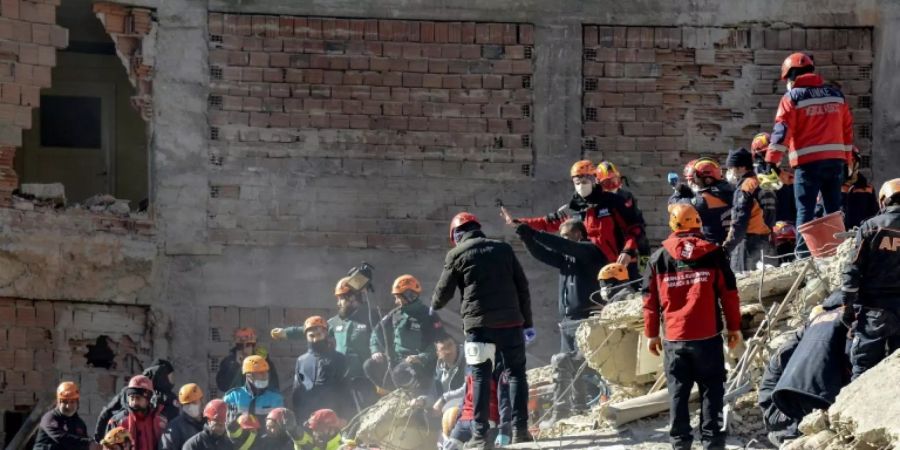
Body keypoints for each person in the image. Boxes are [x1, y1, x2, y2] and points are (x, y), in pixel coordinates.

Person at [643, 204, 742, 450]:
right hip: (707, 337)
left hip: (675, 339)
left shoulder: (658, 258)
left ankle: (680, 444)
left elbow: (649, 301)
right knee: (712, 390)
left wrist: (651, 334)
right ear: (697, 223)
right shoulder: (714, 253)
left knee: (677, 393)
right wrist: (734, 328)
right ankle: (712, 442)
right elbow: (730, 294)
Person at [432, 212, 533, 448]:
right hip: (510, 324)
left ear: (457, 235)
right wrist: (527, 323)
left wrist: (433, 305)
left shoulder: (457, 253)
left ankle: (479, 436)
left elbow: (442, 293)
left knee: (479, 376)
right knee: (516, 374)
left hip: (478, 328)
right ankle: (520, 430)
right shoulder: (504, 249)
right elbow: (523, 287)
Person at [512, 218, 605, 422]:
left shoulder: (589, 251)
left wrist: (535, 232)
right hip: (567, 322)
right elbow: (543, 254)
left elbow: (562, 245)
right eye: (561, 235)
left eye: (566, 235)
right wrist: (526, 238)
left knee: (586, 366)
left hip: (585, 320)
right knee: (567, 369)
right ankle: (578, 408)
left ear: (578, 235)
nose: (562, 239)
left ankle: (593, 407)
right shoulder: (566, 259)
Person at [764, 52, 854, 253]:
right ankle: (837, 254)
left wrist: (771, 160)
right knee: (833, 212)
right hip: (835, 163)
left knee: (805, 211)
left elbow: (782, 131)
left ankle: (803, 256)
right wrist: (847, 162)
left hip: (808, 165)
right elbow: (847, 132)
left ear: (793, 75)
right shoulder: (836, 96)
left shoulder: (792, 97)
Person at [503, 160, 645, 268]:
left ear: (594, 179)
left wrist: (628, 251)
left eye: (584, 181)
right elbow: (547, 223)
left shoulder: (614, 202)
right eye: (577, 182)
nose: (581, 185)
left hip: (618, 265)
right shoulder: (572, 208)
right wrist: (518, 222)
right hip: (585, 267)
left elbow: (635, 229)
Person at [758, 294, 851, 447]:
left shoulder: (808, 331)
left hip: (780, 400)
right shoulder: (845, 321)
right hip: (779, 408)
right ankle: (788, 436)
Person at [273, 276, 379, 409]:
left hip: (364, 380)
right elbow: (312, 329)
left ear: (352, 298)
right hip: (342, 380)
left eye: (340, 298)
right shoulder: (335, 322)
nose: (338, 303)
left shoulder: (371, 318)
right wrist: (286, 333)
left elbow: (383, 340)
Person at [841, 178, 900, 380]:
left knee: (863, 367)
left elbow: (853, 268)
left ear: (884, 201)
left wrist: (846, 307)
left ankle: (851, 410)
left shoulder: (871, 227)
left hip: (875, 310)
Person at [365, 274, 444, 393]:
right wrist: (375, 350)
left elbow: (440, 342)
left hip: (418, 363)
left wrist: (422, 357)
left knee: (399, 372)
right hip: (396, 360)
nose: (396, 301)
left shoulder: (429, 316)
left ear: (409, 295)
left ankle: (414, 394)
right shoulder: (394, 314)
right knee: (369, 365)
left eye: (398, 297)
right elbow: (377, 332)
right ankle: (393, 393)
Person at [94, 360, 179, 441]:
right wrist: (100, 439)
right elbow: (107, 413)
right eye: (132, 397)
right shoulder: (129, 392)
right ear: (160, 374)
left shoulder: (167, 397)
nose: (135, 401)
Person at [723, 147, 775, 273]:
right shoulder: (762, 182)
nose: (729, 172)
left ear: (742, 168)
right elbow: (771, 214)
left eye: (731, 168)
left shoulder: (746, 186)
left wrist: (728, 245)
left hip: (746, 244)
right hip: (765, 240)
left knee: (743, 282)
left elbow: (740, 219)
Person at [596, 160, 650, 277]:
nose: (613, 186)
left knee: (642, 241)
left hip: (629, 249)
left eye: (615, 181)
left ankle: (645, 269)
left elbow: (638, 224)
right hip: (607, 257)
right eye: (607, 183)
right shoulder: (597, 203)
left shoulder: (626, 197)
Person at [292, 316, 349, 421]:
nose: (315, 339)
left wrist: (344, 417)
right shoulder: (301, 360)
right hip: (308, 416)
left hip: (332, 415)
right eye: (311, 336)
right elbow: (298, 390)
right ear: (306, 337)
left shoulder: (338, 358)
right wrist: (298, 417)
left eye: (319, 335)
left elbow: (345, 389)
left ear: (326, 334)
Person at [669, 157, 734, 245]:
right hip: (733, 243)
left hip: (714, 248)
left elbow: (673, 206)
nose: (694, 182)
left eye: (695, 179)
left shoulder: (703, 200)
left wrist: (677, 190)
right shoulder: (730, 189)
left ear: (707, 179)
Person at [105, 375, 166, 450]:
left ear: (148, 399)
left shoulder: (160, 421)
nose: (134, 402)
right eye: (131, 398)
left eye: (138, 398)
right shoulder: (117, 422)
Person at [412, 334, 466, 413]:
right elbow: (434, 395)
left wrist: (444, 399)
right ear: (438, 354)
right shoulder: (440, 368)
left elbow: (469, 389)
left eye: (450, 345)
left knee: (448, 408)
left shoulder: (467, 361)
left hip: (467, 406)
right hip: (447, 407)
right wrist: (423, 401)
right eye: (443, 348)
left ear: (456, 346)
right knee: (427, 411)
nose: (448, 350)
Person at [752, 132, 797, 224]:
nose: (778, 157)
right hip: (764, 229)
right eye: (773, 153)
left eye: (778, 153)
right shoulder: (752, 176)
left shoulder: (786, 176)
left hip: (788, 228)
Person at [224, 355, 285, 422]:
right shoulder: (233, 397)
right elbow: (228, 425)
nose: (265, 376)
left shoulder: (275, 398)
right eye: (261, 373)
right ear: (249, 376)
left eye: (266, 372)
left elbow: (277, 427)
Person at [217, 328, 279, 393]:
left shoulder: (264, 361)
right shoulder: (229, 361)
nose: (244, 349)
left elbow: (273, 385)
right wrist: (236, 366)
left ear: (254, 345)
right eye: (240, 345)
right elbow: (222, 386)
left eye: (249, 344)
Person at [33, 381, 91, 450]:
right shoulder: (49, 418)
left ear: (77, 403)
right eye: (65, 402)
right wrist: (89, 443)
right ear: (58, 402)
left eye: (72, 402)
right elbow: (62, 438)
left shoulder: (79, 423)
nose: (68, 406)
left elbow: (83, 445)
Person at [839, 147, 880, 229]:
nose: (847, 164)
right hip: (836, 237)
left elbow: (875, 217)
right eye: (843, 161)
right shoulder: (828, 188)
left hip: (860, 236)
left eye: (851, 160)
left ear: (856, 163)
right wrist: (843, 193)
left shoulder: (866, 189)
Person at [158, 383, 205, 450]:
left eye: (194, 402)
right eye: (187, 404)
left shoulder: (209, 424)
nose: (190, 407)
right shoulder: (174, 428)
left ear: (202, 401)